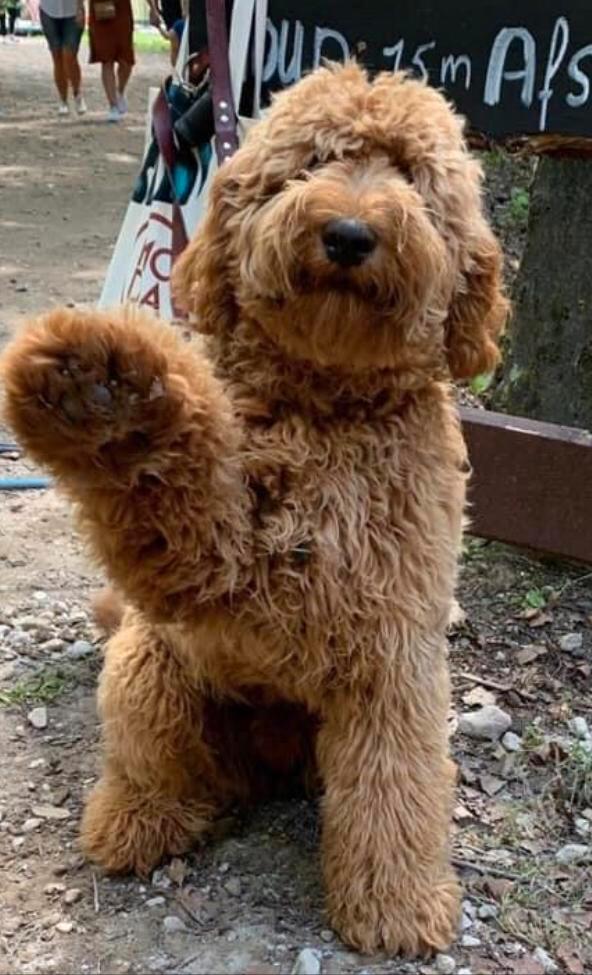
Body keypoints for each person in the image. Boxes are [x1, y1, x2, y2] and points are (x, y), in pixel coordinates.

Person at [88, 0, 134, 123]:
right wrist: (79, 7)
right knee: (106, 59)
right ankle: (113, 106)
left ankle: (120, 91)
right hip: (99, 7)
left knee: (126, 60)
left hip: (122, 9)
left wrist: (153, 9)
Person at [39, 0, 86, 114]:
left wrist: (80, 8)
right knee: (57, 56)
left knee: (69, 55)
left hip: (73, 12)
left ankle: (77, 93)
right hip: (48, 11)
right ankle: (63, 99)